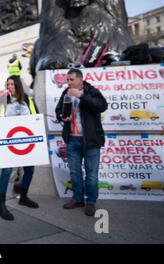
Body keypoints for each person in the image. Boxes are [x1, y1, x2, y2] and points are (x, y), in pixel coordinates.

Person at [55, 68, 108, 216]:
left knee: (91, 174)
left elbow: (102, 106)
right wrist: (61, 116)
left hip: (90, 140)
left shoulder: (91, 91)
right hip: (72, 139)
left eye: (71, 80)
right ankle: (77, 199)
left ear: (80, 79)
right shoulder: (66, 92)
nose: (69, 82)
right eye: (67, 80)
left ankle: (90, 202)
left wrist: (81, 95)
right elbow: (58, 110)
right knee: (74, 172)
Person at [0, 75, 40, 221]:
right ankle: (1, 206)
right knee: (6, 172)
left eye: (12, 84)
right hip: (6, 142)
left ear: (18, 85)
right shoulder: (4, 100)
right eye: (7, 84)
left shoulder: (28, 101)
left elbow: (35, 118)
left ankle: (23, 196)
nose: (9, 86)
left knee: (29, 169)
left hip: (25, 141)